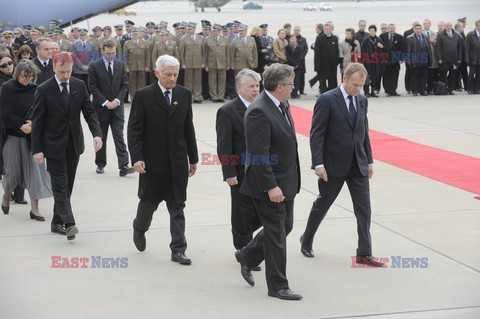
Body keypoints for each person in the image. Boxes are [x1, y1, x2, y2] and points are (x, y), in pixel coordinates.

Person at [300, 63, 383, 268]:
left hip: (358, 164)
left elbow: (364, 132)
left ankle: (364, 253)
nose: (358, 89)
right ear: (344, 78)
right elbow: (317, 134)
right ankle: (307, 239)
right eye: (355, 85)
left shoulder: (362, 100)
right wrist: (318, 163)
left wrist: (369, 160)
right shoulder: (327, 100)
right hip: (333, 165)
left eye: (361, 86)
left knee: (364, 210)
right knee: (323, 204)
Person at [235, 63, 302, 301]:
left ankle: (247, 255)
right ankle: (277, 286)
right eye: (291, 84)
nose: (294, 87)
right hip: (269, 184)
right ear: (280, 86)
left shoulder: (282, 103)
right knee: (276, 235)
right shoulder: (258, 111)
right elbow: (258, 154)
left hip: (287, 180)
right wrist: (271, 186)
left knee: (286, 227)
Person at [128, 55, 198, 265]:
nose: (172, 78)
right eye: (168, 74)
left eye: (175, 74)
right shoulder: (143, 96)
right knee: (148, 204)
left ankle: (178, 249)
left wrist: (192, 158)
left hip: (177, 162)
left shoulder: (184, 94)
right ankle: (139, 228)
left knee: (177, 207)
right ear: (157, 73)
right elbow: (134, 131)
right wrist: (137, 158)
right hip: (152, 162)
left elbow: (188, 128)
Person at [31, 52, 103, 240]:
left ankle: (56, 222)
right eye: (62, 71)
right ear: (54, 68)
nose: (65, 75)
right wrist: (37, 149)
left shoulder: (79, 85)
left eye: (68, 71)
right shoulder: (44, 89)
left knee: (67, 186)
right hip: (53, 146)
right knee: (60, 185)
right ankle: (69, 223)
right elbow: (37, 122)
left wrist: (97, 134)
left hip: (74, 144)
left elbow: (89, 111)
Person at [216, 69, 262, 253]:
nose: (256, 90)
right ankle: (244, 249)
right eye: (251, 86)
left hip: (263, 168)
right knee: (242, 211)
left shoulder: (263, 106)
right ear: (239, 88)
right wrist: (229, 173)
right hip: (240, 171)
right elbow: (224, 145)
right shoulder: (227, 111)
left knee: (263, 210)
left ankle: (244, 236)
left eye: (257, 86)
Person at [0, 60, 52, 219]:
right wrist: (20, 126)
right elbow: (5, 112)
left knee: (34, 173)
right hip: (12, 135)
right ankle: (7, 195)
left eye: (30, 77)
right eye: (24, 76)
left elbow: (43, 111)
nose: (27, 80)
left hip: (32, 137)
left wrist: (33, 124)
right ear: (17, 74)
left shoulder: (37, 89)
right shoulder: (7, 88)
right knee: (12, 171)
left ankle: (34, 209)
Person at [88, 40, 134, 176]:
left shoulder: (120, 65)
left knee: (119, 136)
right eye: (108, 53)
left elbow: (124, 85)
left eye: (113, 53)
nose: (110, 56)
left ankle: (124, 165)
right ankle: (100, 164)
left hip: (117, 108)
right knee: (101, 137)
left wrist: (117, 100)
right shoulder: (94, 66)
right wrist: (105, 102)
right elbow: (93, 87)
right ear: (102, 51)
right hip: (101, 108)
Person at [0, 53, 28, 205]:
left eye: (10, 63)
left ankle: (19, 195)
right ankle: (8, 191)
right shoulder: (5, 85)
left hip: (20, 124)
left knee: (22, 160)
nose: (8, 66)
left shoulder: (19, 80)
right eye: (4, 65)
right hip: (5, 125)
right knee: (10, 163)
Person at [179, 22, 205, 103]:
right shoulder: (184, 39)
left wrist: (203, 62)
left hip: (198, 62)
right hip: (188, 63)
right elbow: (181, 52)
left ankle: (197, 96)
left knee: (198, 80)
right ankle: (189, 96)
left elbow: (203, 52)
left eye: (190, 29)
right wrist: (183, 63)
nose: (188, 31)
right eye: (188, 29)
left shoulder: (201, 39)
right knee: (188, 81)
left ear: (194, 29)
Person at [204, 24, 230, 103]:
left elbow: (228, 53)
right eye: (212, 31)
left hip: (222, 63)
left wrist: (228, 64)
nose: (213, 32)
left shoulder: (225, 40)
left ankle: (221, 96)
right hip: (212, 63)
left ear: (219, 31)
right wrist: (206, 65)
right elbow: (206, 53)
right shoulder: (208, 40)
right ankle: (214, 96)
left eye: (215, 31)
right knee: (212, 80)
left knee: (222, 80)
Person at [436, 21, 463, 95]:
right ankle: (443, 89)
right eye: (447, 25)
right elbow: (438, 48)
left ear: (452, 26)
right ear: (445, 26)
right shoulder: (440, 35)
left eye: (450, 25)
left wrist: (459, 58)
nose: (448, 27)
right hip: (444, 59)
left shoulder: (456, 35)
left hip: (454, 59)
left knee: (453, 75)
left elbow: (459, 47)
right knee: (443, 75)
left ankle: (450, 89)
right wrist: (439, 58)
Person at [406, 24, 431, 96]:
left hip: (424, 60)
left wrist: (429, 59)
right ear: (414, 29)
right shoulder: (409, 38)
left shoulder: (425, 37)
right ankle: (415, 91)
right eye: (417, 29)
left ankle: (422, 90)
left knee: (424, 76)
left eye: (420, 28)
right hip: (415, 60)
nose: (418, 30)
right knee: (414, 77)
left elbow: (428, 49)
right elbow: (408, 51)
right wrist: (409, 61)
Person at [314, 23, 340, 94]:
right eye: (325, 29)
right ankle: (323, 94)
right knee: (322, 81)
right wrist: (317, 64)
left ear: (331, 29)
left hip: (332, 64)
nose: (326, 30)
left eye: (327, 29)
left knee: (332, 80)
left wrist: (337, 61)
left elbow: (337, 51)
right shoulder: (319, 38)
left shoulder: (335, 38)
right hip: (322, 64)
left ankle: (333, 94)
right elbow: (317, 52)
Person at [361, 25, 384, 97]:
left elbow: (385, 50)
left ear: (375, 31)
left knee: (375, 77)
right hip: (368, 62)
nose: (371, 32)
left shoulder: (379, 40)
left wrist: (381, 47)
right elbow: (362, 51)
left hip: (377, 63)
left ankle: (373, 91)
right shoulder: (365, 40)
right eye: (370, 31)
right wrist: (364, 62)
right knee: (367, 77)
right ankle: (366, 92)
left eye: (373, 31)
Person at [380, 24, 403, 96]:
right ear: (388, 29)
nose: (392, 30)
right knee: (386, 75)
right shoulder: (382, 37)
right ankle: (388, 90)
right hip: (386, 59)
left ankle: (393, 90)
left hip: (396, 59)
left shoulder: (399, 37)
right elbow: (380, 49)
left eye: (393, 28)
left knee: (395, 75)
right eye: (390, 28)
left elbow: (402, 49)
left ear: (395, 29)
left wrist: (401, 58)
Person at [72, 29, 95, 93]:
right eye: (81, 35)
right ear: (79, 35)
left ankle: (88, 101)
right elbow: (74, 57)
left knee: (89, 87)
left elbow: (93, 56)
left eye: (84, 35)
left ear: (86, 35)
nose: (82, 37)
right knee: (79, 87)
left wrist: (88, 66)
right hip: (78, 70)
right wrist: (81, 66)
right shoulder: (74, 45)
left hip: (88, 69)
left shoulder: (91, 44)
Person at [465, 19, 480, 94]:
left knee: (478, 75)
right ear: (476, 26)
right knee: (471, 74)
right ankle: (470, 89)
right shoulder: (470, 35)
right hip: (472, 59)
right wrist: (467, 59)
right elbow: (467, 48)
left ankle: (477, 89)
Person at [292, 26, 308, 95]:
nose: (296, 31)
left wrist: (301, 57)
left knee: (302, 76)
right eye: (295, 30)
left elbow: (305, 49)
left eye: (298, 30)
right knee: (294, 77)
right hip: (293, 61)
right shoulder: (291, 39)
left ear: (300, 31)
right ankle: (294, 91)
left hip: (301, 60)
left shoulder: (303, 39)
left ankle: (301, 90)